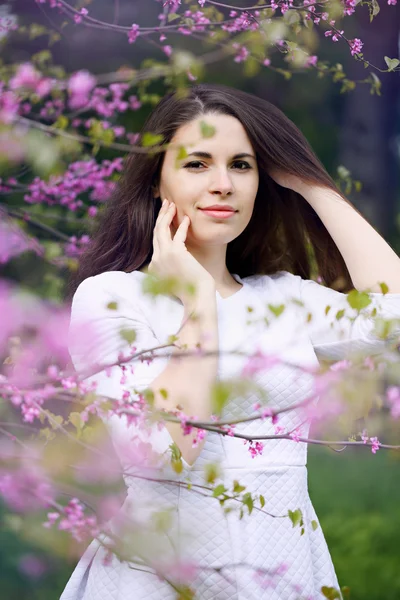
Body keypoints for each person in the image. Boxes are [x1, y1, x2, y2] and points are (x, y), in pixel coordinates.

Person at [61, 83, 400, 600]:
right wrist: (198, 306)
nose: (223, 184)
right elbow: (164, 452)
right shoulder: (110, 298)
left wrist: (311, 184)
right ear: (157, 182)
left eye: (242, 165)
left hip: (282, 569)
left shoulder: (285, 299)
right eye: (197, 164)